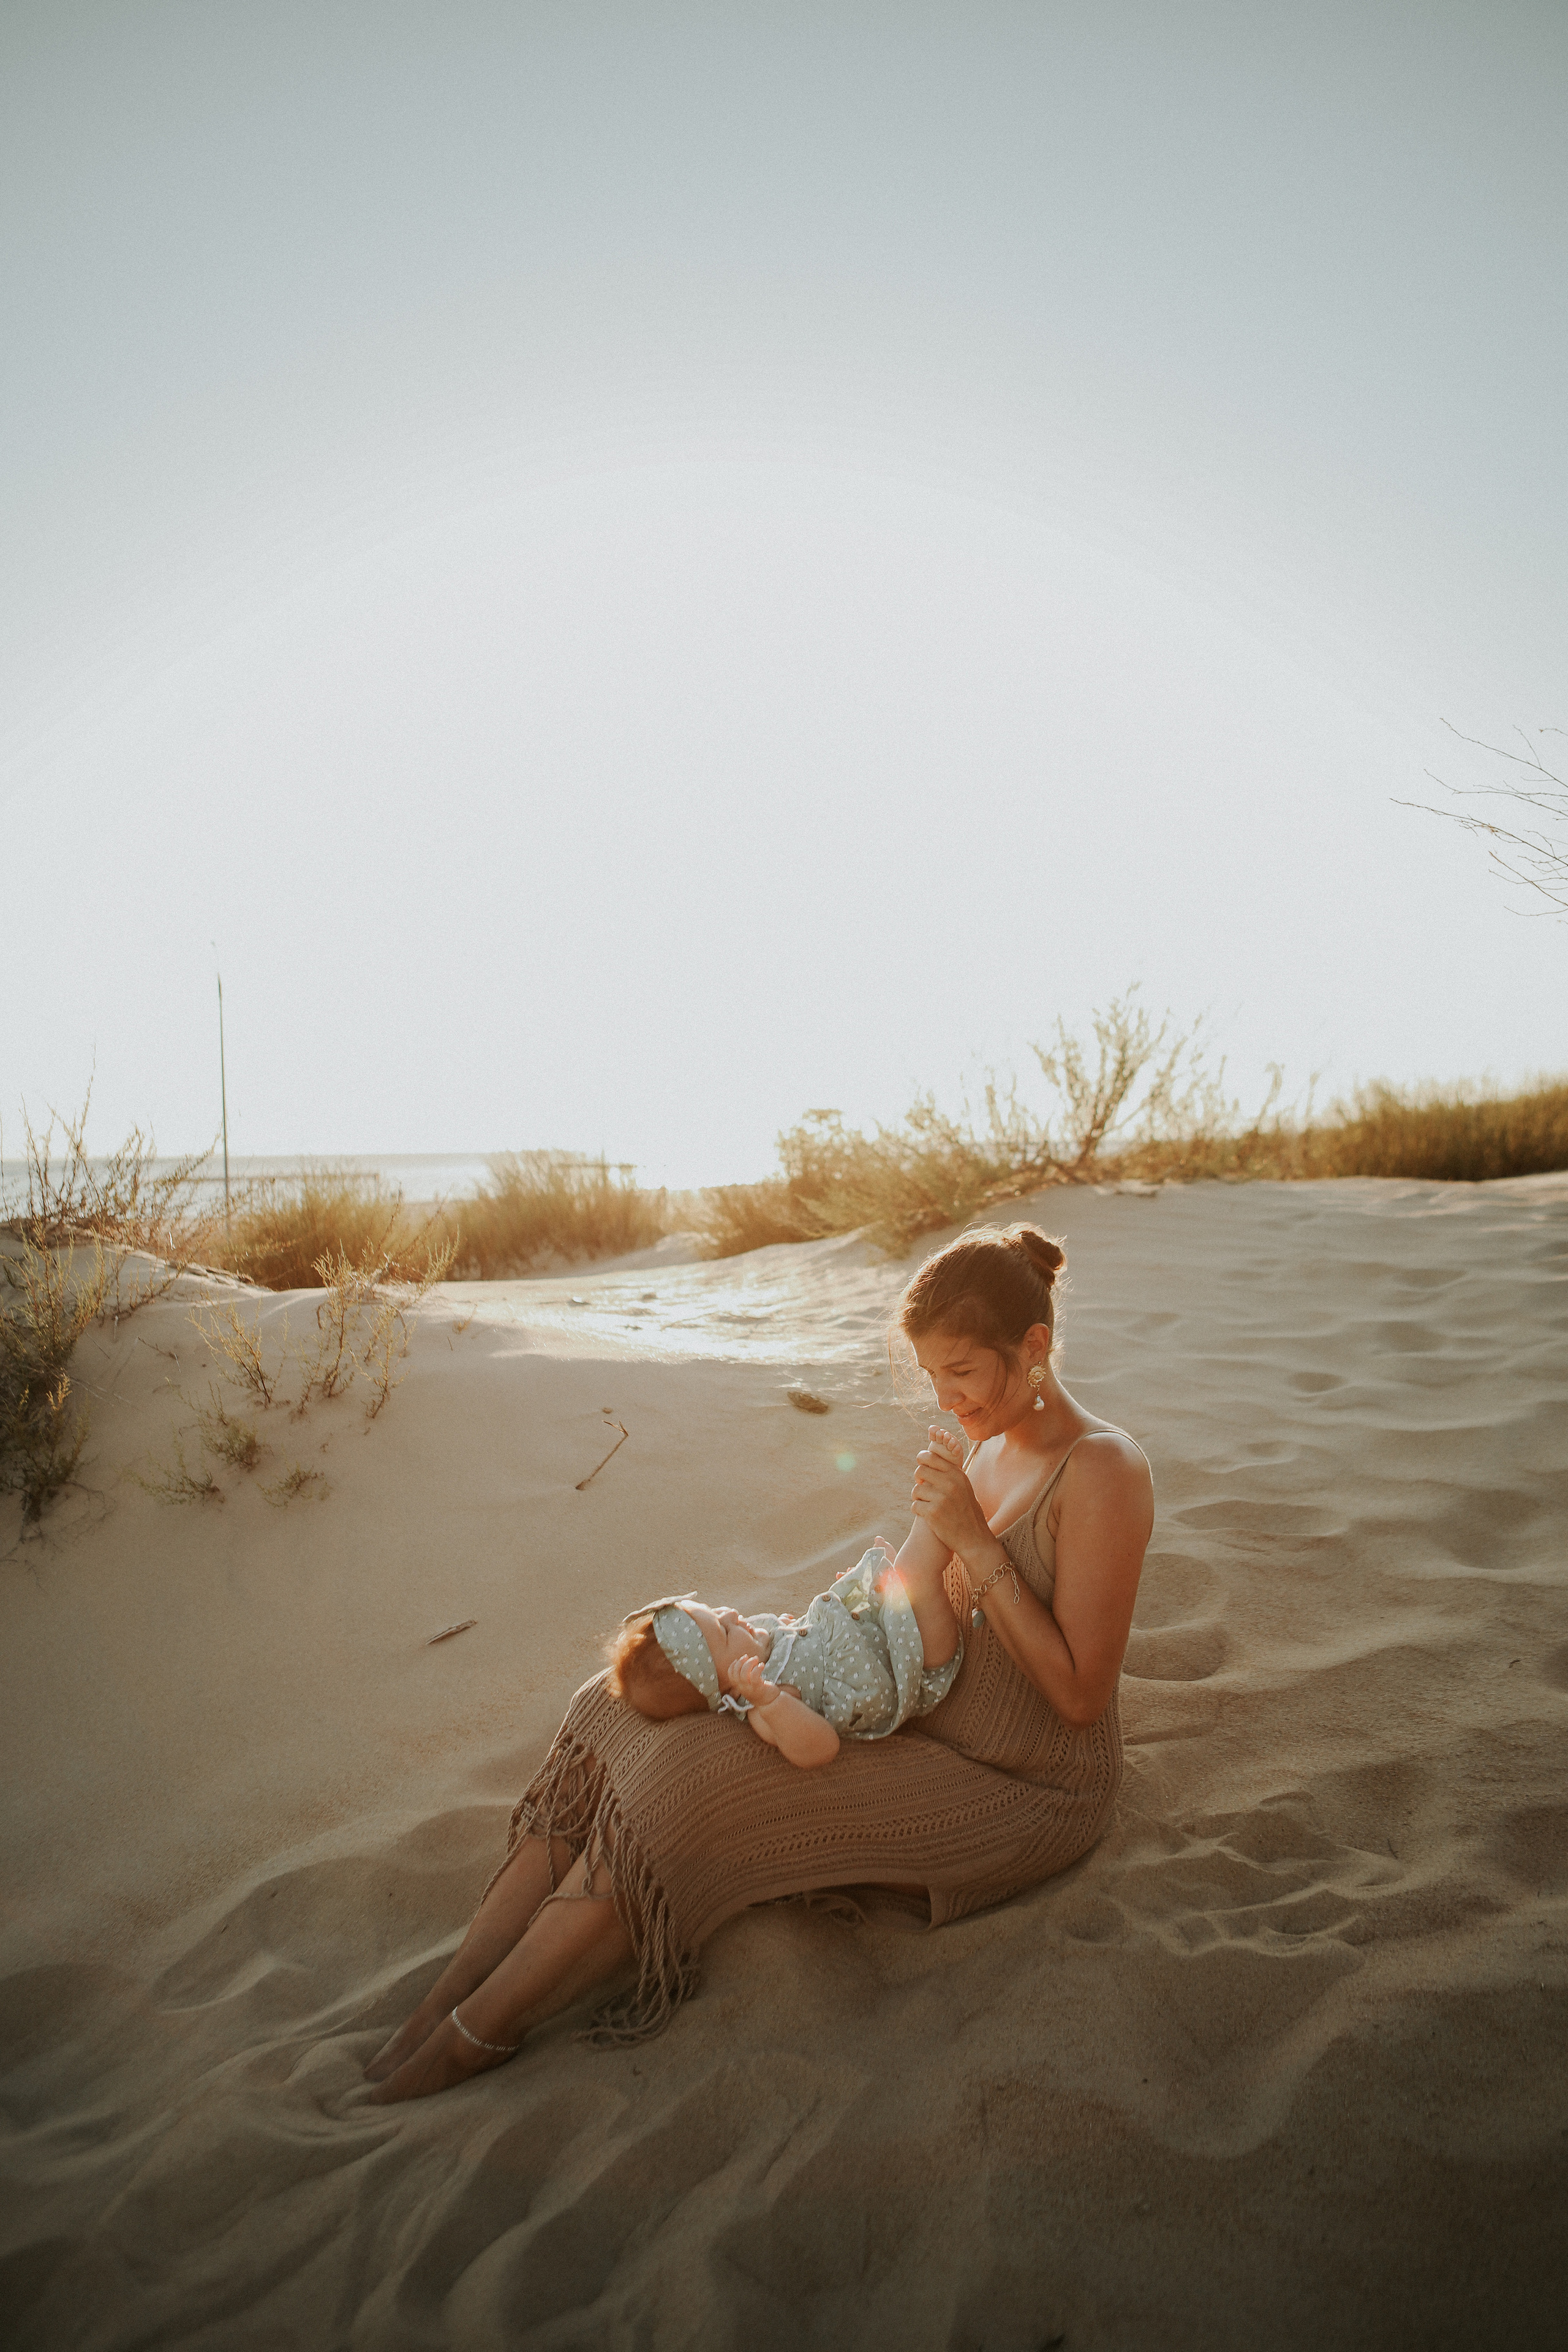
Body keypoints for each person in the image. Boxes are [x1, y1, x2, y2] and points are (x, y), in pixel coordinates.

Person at [366, 1223, 1153, 2102]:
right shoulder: (984, 1442)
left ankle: (475, 2036)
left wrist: (975, 1538)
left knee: (695, 1780)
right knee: (616, 1704)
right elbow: (905, 1596)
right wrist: (793, 1646)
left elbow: (1081, 1698)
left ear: (1034, 1347)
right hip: (920, 1718)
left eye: (961, 1373)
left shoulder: (1103, 1472)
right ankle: (450, 1992)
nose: (944, 1399)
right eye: (933, 1376)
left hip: (1023, 1782)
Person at [607, 1481, 968, 1766]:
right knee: (920, 1563)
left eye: (718, 1611)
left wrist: (847, 1605)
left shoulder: (759, 1642)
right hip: (915, 1671)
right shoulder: (763, 1705)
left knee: (905, 1567)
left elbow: (807, 1637)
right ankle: (953, 1509)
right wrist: (771, 1701)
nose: (733, 1615)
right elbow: (821, 1749)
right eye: (724, 1631)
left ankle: (946, 1514)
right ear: (729, 1689)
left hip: (881, 1634)